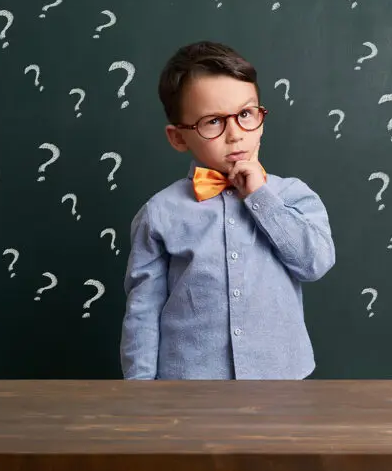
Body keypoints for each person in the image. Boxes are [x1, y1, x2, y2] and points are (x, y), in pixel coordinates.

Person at [120, 41, 335, 380]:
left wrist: (260, 197)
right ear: (178, 138)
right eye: (213, 122)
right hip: (189, 387)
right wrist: (141, 392)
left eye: (245, 114)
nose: (235, 134)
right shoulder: (160, 213)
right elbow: (143, 311)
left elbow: (315, 263)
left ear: (261, 118)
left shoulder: (294, 195)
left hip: (281, 384)